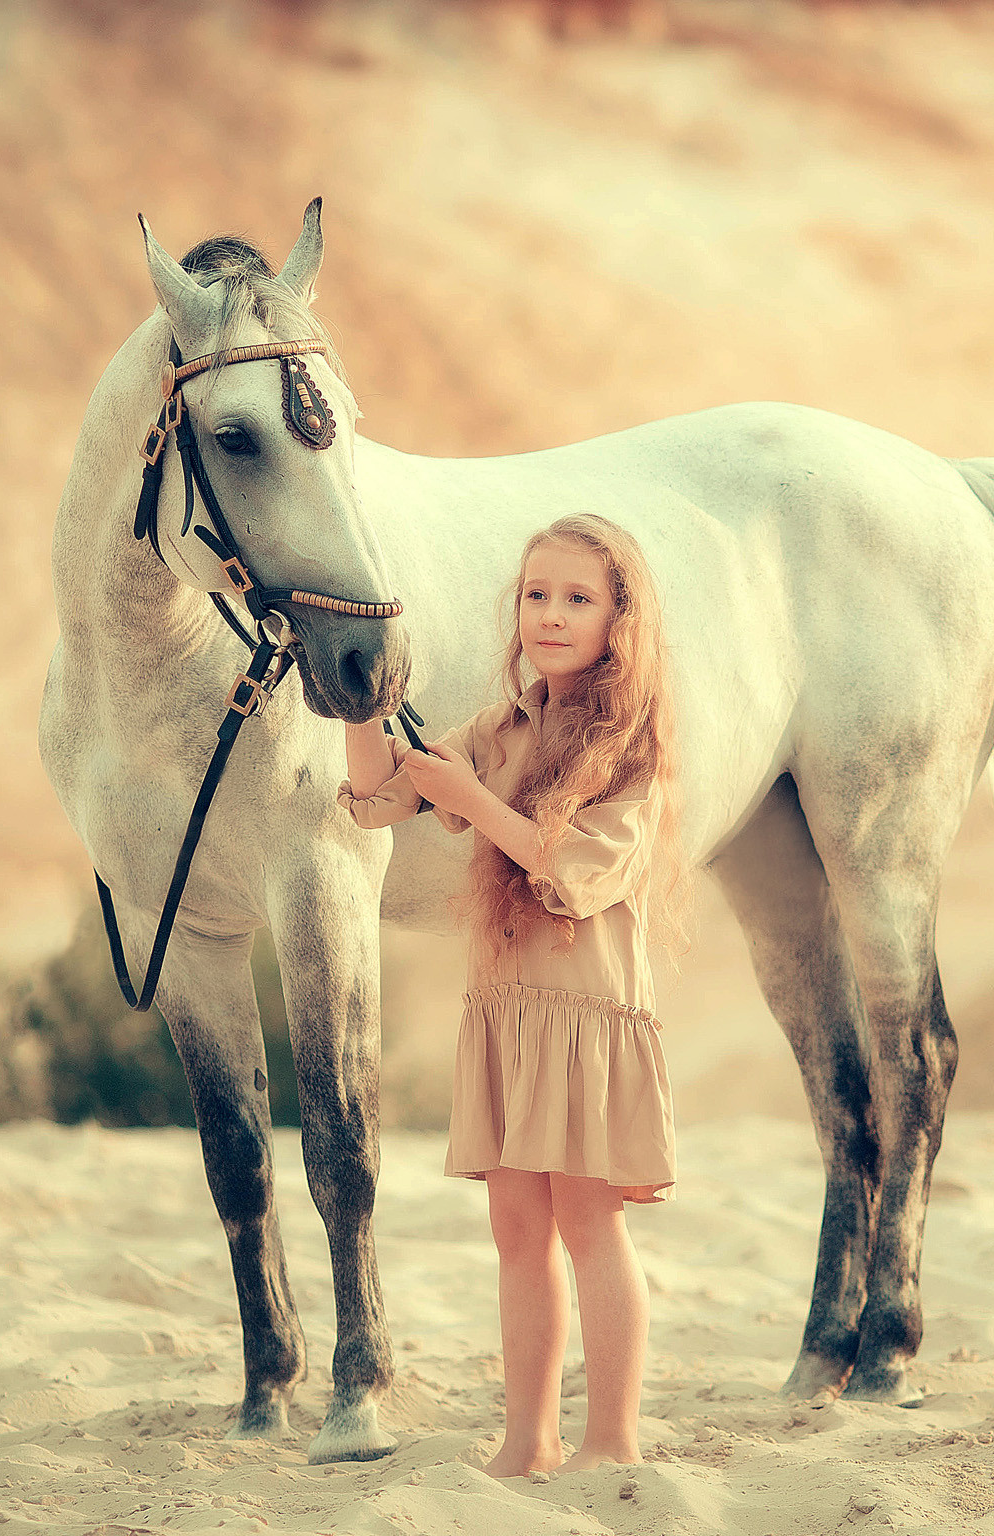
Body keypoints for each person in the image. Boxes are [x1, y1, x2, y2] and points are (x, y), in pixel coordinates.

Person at [337, 513, 685, 1476]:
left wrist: (477, 800)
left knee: (587, 1219)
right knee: (516, 1229)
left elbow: (571, 870)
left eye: (578, 598)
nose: (551, 615)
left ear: (620, 619)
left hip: (585, 1013)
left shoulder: (631, 744)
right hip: (507, 1009)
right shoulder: (499, 728)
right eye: (537, 595)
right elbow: (376, 800)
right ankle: (527, 1440)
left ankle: (612, 1441)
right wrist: (360, 704)